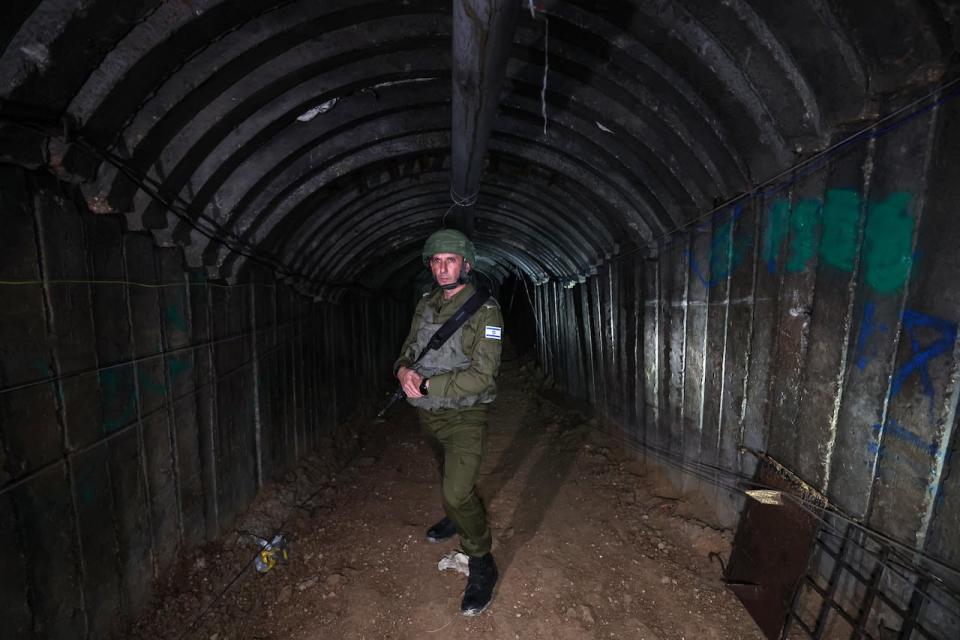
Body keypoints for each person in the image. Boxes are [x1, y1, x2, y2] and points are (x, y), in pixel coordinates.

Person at [392, 228, 503, 616]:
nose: (442, 268)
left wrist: (426, 383)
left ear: (466, 265)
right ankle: (456, 519)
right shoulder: (425, 304)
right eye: (436, 261)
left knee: (457, 491)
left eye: (450, 260)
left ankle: (481, 561)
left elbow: (482, 376)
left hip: (464, 414)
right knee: (447, 475)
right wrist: (403, 370)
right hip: (428, 414)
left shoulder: (485, 310)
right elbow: (409, 349)